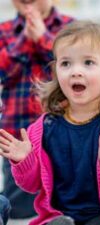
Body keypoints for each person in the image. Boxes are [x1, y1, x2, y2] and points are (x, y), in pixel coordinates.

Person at [0, 20, 100, 225]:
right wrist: (24, 160)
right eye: (66, 63)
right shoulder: (44, 127)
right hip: (60, 217)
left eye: (88, 62)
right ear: (56, 72)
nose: (75, 71)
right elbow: (32, 184)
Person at [0, 0, 73, 219]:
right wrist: (24, 40)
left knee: (64, 202)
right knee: (18, 207)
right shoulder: (4, 32)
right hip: (16, 135)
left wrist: (43, 38)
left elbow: (72, 67)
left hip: (63, 133)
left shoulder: (72, 29)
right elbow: (3, 72)